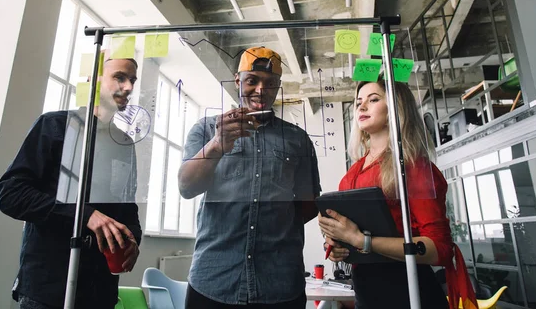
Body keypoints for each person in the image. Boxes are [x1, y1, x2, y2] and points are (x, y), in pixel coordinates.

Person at [178, 47, 321, 308]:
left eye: (270, 83)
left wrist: (275, 223)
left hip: (279, 282)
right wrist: (217, 144)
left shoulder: (298, 139)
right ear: (237, 81)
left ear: (278, 87)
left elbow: (309, 205)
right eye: (252, 80)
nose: (260, 90)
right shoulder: (207, 129)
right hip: (214, 279)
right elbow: (186, 187)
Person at [318, 78, 477, 309]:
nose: (362, 107)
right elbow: (350, 235)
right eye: (359, 102)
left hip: (407, 291)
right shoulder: (351, 174)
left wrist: (361, 240)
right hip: (366, 292)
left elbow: (439, 248)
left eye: (373, 100)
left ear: (396, 107)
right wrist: (336, 244)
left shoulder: (414, 167)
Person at [0, 56, 142, 309]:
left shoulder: (124, 144)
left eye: (132, 80)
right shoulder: (54, 126)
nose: (129, 87)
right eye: (119, 77)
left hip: (100, 291)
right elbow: (11, 194)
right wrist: (84, 215)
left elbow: (127, 207)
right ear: (94, 81)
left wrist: (133, 240)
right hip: (49, 287)